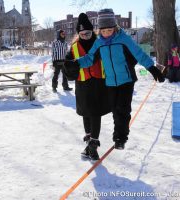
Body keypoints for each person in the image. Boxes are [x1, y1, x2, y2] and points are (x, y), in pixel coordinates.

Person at [65, 8, 164, 150]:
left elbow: (139, 54)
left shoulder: (124, 39)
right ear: (99, 30)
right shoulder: (99, 43)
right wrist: (77, 63)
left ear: (114, 27)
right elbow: (90, 58)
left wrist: (152, 68)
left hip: (126, 80)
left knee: (122, 110)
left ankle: (120, 137)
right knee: (115, 110)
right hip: (110, 82)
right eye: (103, 31)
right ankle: (118, 133)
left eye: (109, 30)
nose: (106, 33)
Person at [63, 13, 110, 161]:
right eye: (82, 34)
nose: (85, 36)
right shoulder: (74, 47)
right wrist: (68, 67)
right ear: (78, 33)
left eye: (88, 33)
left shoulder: (99, 43)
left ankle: (93, 147)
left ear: (92, 31)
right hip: (82, 85)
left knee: (95, 114)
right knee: (85, 113)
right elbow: (68, 66)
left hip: (98, 84)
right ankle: (89, 144)